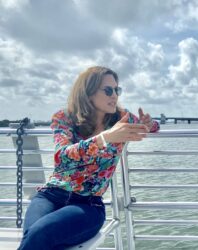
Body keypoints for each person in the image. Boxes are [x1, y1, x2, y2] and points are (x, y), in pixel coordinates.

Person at [18, 66, 160, 250]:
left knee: (39, 234)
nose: (114, 95)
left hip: (88, 205)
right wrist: (105, 138)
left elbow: (152, 125)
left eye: (117, 90)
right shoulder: (64, 118)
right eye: (108, 90)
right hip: (50, 196)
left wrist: (149, 123)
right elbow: (62, 156)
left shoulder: (123, 119)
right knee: (37, 238)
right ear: (88, 92)